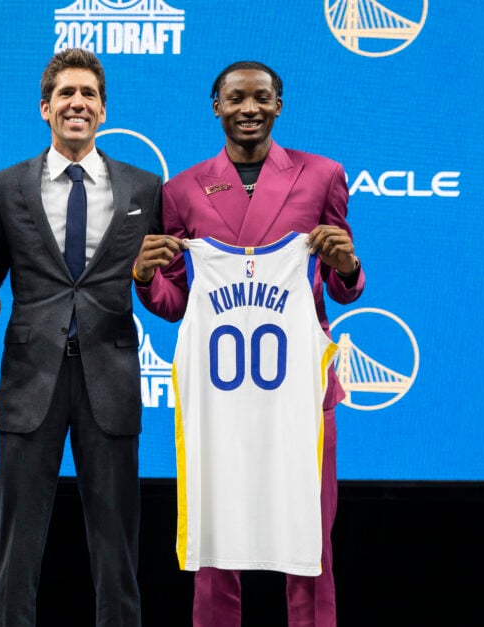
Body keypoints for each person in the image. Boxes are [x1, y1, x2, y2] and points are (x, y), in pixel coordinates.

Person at [133, 60, 364, 627]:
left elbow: (342, 284)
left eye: (262, 97)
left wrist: (348, 265)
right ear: (217, 106)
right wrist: (143, 278)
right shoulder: (181, 189)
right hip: (220, 393)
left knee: (310, 538)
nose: (249, 108)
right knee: (217, 540)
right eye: (236, 98)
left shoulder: (324, 174)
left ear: (279, 105)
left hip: (303, 393)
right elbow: (178, 304)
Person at [0, 48, 162, 627]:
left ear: (103, 110)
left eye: (88, 94)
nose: (77, 103)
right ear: (45, 108)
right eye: (65, 93)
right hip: (28, 381)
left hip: (110, 381)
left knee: (118, 554)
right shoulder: (4, 186)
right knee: (15, 550)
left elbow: (161, 291)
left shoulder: (145, 188)